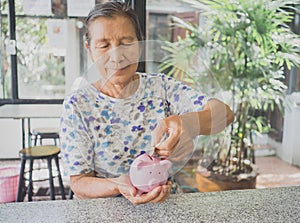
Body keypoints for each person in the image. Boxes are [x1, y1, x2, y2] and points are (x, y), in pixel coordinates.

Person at [60, 1, 234, 205]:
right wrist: (118, 185)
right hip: (105, 211)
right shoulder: (78, 105)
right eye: (104, 45)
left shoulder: (161, 87)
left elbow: (225, 114)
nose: (116, 56)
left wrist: (188, 123)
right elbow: (79, 182)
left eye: (126, 43)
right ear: (89, 49)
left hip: (166, 206)